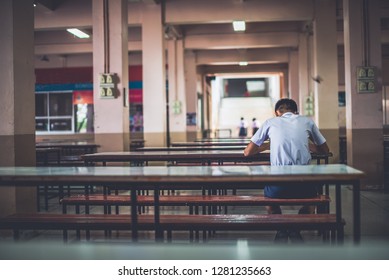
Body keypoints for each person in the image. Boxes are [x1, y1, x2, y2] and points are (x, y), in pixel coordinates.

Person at [243, 98, 330, 243]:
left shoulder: (270, 122)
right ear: (296, 111)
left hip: (278, 183)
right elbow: (325, 150)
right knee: (312, 202)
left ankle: (282, 229)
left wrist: (268, 145)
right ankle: (296, 228)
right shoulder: (307, 121)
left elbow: (247, 152)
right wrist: (304, 144)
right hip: (304, 182)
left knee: (269, 200)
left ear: (277, 112)